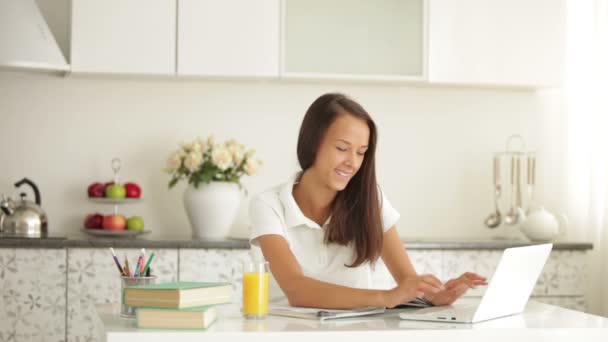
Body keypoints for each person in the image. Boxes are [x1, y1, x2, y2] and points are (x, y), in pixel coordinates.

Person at [249, 93, 487, 309]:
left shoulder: (370, 199)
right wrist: (387, 297)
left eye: (361, 152)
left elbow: (407, 281)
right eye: (342, 148)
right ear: (313, 143)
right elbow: (297, 290)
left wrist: (434, 295)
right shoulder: (269, 205)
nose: (352, 162)